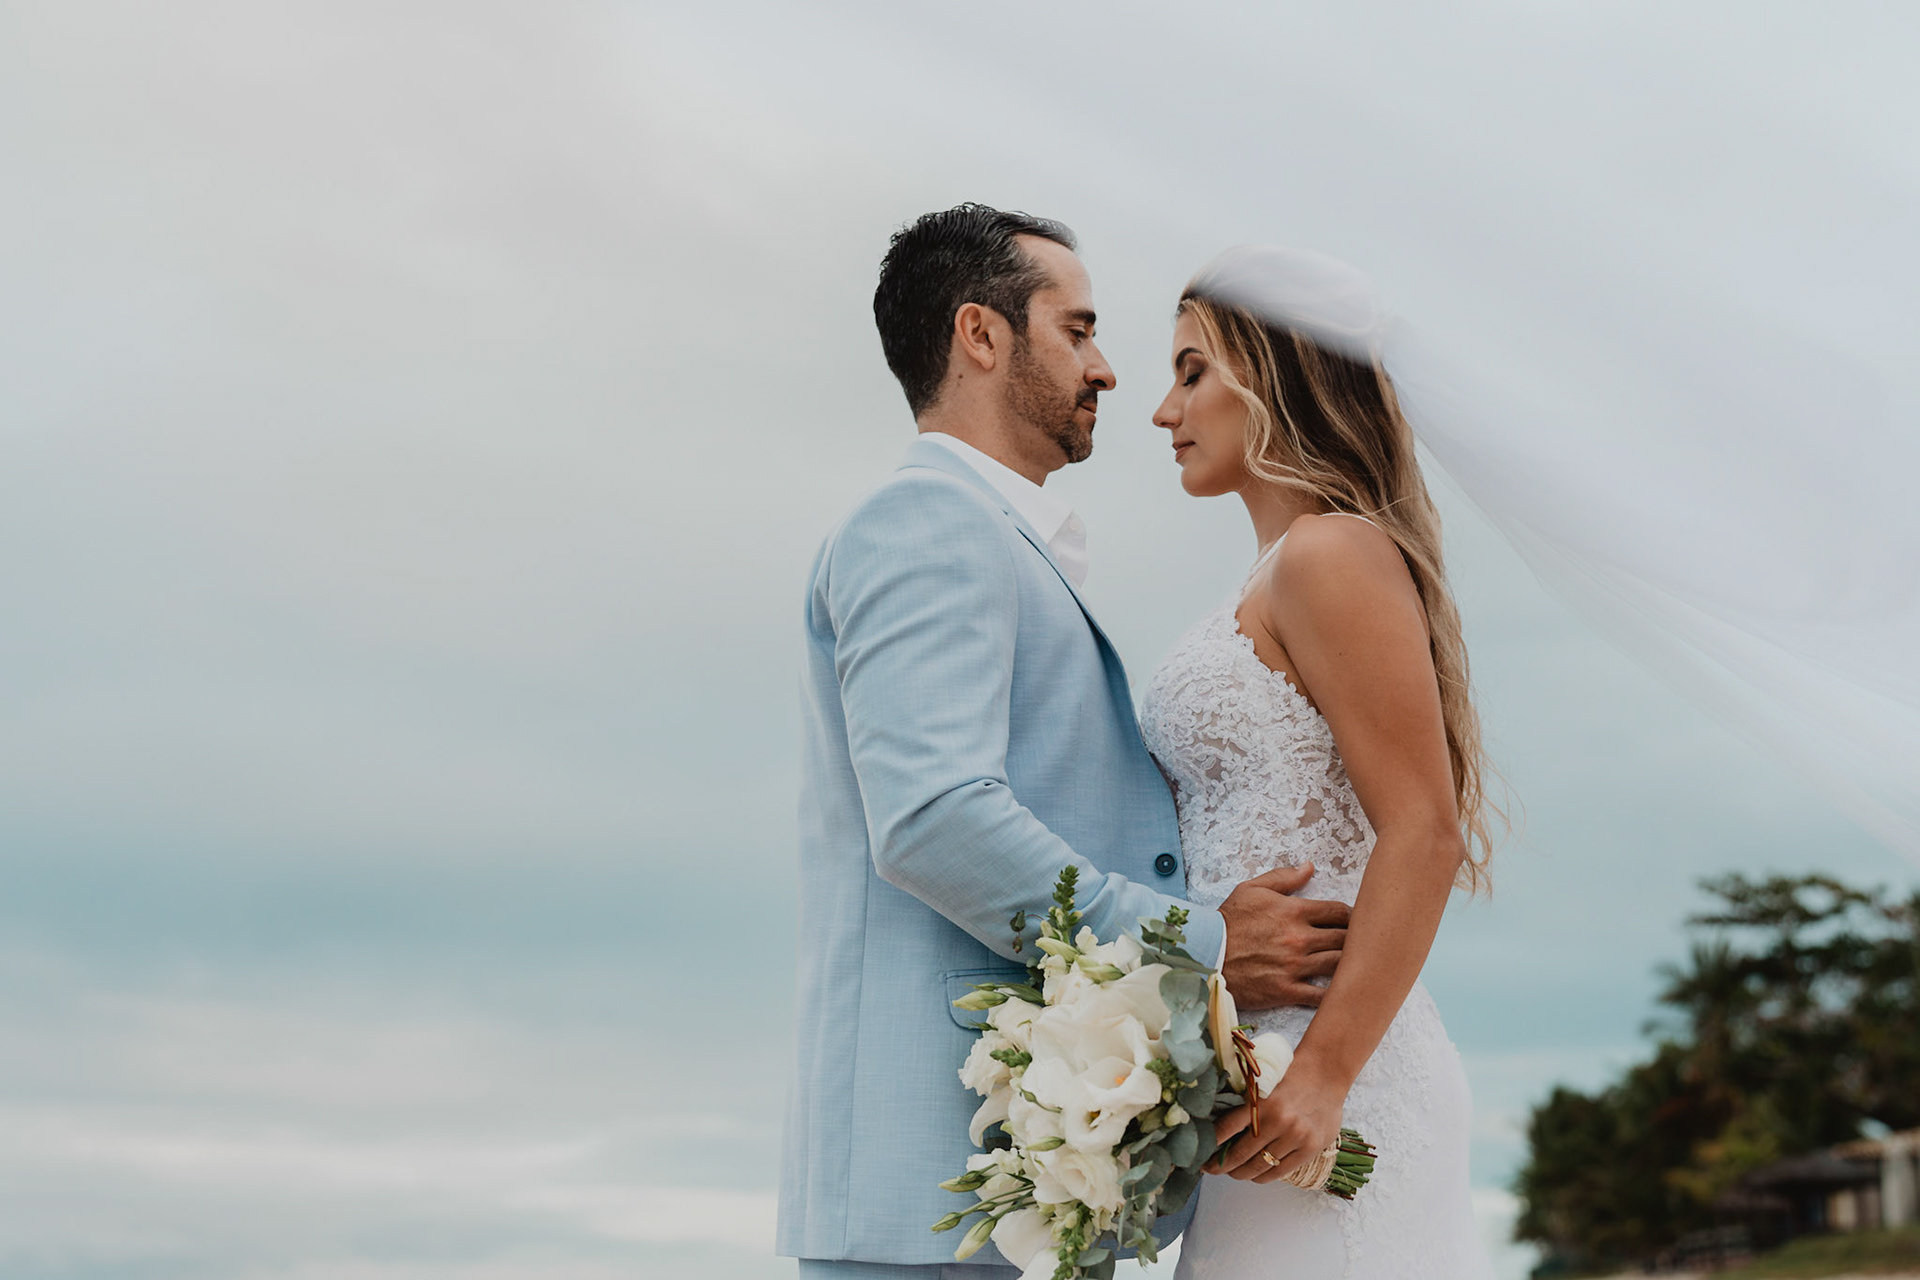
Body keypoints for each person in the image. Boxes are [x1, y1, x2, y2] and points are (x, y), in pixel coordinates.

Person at [777, 207, 1351, 1278]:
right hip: (933, 1189)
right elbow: (936, 818)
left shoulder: (983, 538)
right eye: (1077, 330)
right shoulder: (927, 524)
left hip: (1016, 1189)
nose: (1107, 370)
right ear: (981, 336)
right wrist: (1202, 943)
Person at [1139, 247, 1499, 1278]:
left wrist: (1326, 1074)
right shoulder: (1276, 572)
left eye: (1193, 369)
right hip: (1257, 1082)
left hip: (1330, 1083)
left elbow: (1424, 828)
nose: (1165, 410)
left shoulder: (1329, 553)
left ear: (1275, 370)